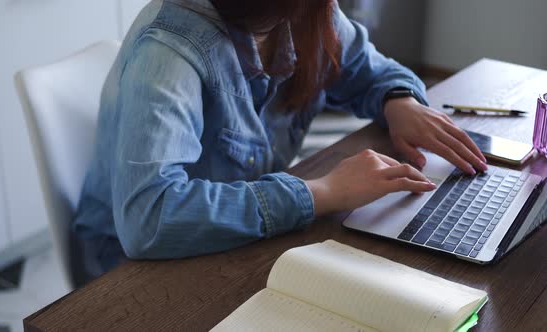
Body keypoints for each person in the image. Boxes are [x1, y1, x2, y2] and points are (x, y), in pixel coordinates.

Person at [74, 0, 487, 278]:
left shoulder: (304, 11)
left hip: (244, 236)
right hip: (132, 270)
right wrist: (322, 192)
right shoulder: (170, 53)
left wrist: (399, 101)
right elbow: (149, 220)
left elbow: (368, 68)